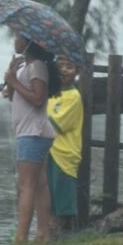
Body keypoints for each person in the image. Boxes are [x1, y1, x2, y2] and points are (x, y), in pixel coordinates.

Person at [1, 34, 61, 243]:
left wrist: (14, 82)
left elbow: (38, 99)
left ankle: (21, 237)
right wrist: (10, 79)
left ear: (27, 43)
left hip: (32, 132)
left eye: (17, 37)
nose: (14, 40)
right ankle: (43, 234)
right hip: (32, 132)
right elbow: (12, 96)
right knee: (40, 184)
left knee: (26, 185)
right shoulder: (25, 68)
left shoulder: (37, 67)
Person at [47, 56, 83, 232]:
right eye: (60, 65)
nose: (63, 70)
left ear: (77, 71)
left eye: (69, 66)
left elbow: (57, 124)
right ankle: (50, 232)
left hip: (64, 153)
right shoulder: (52, 93)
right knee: (49, 194)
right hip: (48, 150)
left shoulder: (73, 96)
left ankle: (65, 234)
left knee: (63, 197)